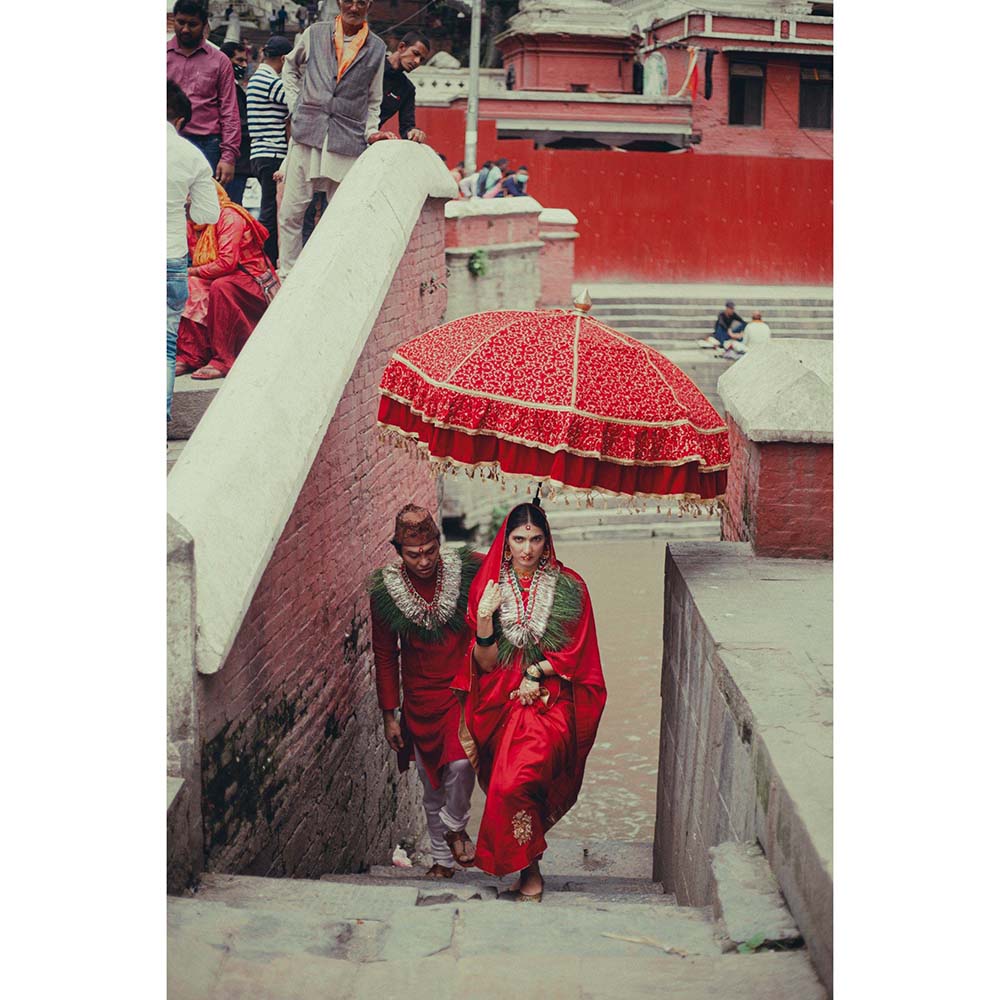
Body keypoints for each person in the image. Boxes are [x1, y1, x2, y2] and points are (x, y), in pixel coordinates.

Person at [454, 502, 607, 901]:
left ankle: (530, 870)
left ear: (547, 541)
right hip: (500, 702)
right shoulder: (487, 587)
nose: (527, 549)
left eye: (536, 539)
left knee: (516, 782)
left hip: (550, 700)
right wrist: (485, 621)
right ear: (505, 544)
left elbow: (578, 651)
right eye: (519, 540)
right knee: (509, 785)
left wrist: (536, 673)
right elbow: (484, 664)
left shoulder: (570, 586)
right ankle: (529, 868)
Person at [371, 505, 484, 879]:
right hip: (418, 700)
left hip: (460, 693)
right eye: (413, 555)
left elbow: (509, 558)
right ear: (398, 551)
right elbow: (385, 655)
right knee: (429, 780)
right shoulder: (385, 590)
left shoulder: (466, 568)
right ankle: (442, 860)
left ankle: (455, 824)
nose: (424, 561)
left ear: (440, 542)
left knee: (460, 763)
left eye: (431, 551)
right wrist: (390, 714)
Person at [277, 0, 389, 278]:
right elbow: (289, 69)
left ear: (369, 5)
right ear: (339, 2)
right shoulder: (314, 33)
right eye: (348, 0)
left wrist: (370, 130)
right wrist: (296, 104)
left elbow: (374, 99)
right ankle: (287, 273)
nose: (353, 7)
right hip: (307, 134)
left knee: (340, 216)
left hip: (346, 139)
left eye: (361, 2)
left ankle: (330, 274)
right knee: (291, 212)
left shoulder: (377, 48)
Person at [174, 182, 277, 380]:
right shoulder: (194, 223)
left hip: (252, 282)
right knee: (187, 285)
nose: (188, 208)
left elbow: (226, 263)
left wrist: (192, 271)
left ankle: (224, 359)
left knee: (221, 287)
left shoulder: (229, 216)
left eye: (191, 202)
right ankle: (192, 354)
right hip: (219, 278)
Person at [167, 81, 220, 422]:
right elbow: (207, 215)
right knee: (165, 347)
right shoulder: (191, 155)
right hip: (169, 257)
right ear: (180, 121)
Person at [167, 1, 241, 185]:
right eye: (180, 22)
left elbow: (229, 110)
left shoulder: (220, 61)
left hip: (207, 146)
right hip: (166, 141)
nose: (185, 29)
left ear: (204, 25)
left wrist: (228, 156)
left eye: (192, 24)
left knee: (204, 207)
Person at [248, 35, 293, 266]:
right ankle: (262, 260)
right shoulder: (270, 81)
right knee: (270, 212)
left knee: (269, 208)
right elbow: (296, 103)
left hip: (259, 152)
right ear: (284, 58)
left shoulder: (257, 78)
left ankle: (266, 258)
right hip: (272, 152)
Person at [379, 32, 430, 143]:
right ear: (401, 47)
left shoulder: (407, 89)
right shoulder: (371, 64)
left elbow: (407, 127)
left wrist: (414, 132)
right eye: (415, 53)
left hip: (368, 141)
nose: (417, 62)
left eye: (421, 60)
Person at [219, 41, 252, 204]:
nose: (244, 65)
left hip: (238, 161)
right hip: (233, 162)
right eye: (239, 61)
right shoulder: (227, 90)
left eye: (245, 61)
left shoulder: (234, 87)